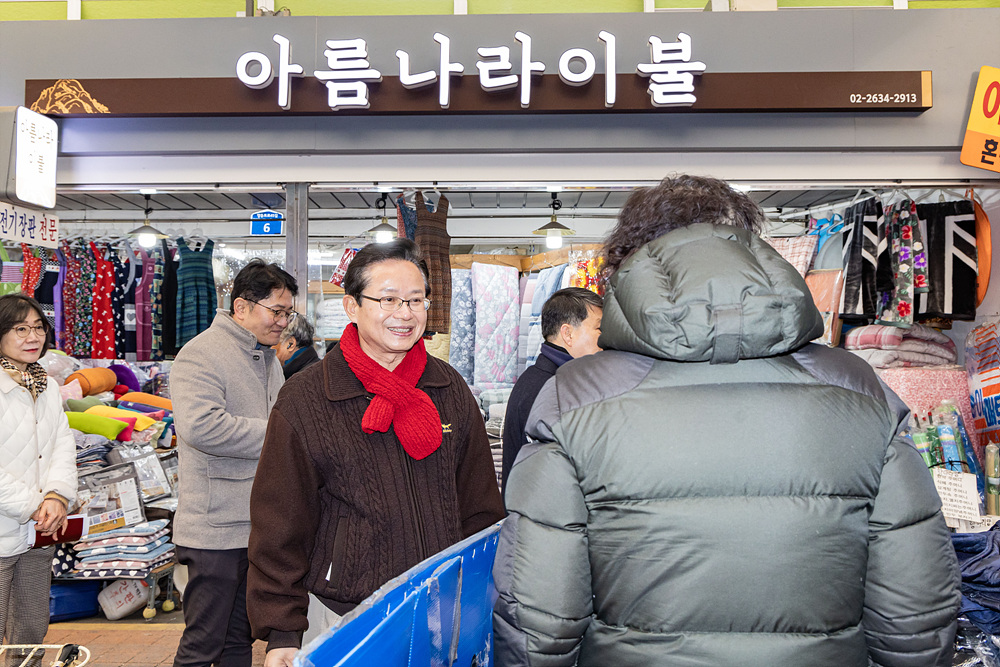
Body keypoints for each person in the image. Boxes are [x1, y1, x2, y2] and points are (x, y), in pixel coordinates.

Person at [492, 175, 961, 667]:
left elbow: (538, 618)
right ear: (753, 252)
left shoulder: (575, 396)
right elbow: (915, 616)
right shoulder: (859, 389)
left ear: (628, 262)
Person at [247, 238, 504, 666]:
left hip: (443, 612)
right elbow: (279, 523)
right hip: (344, 615)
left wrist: (482, 593)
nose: (405, 313)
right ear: (352, 307)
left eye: (416, 300)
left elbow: (479, 507)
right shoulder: (308, 399)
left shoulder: (449, 389)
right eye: (388, 299)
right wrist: (282, 630)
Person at [171, 259, 298, 667]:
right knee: (203, 643)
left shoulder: (268, 358)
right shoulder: (201, 354)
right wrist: (280, 437)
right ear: (241, 307)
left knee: (239, 640)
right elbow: (202, 427)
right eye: (276, 311)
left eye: (288, 313)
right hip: (213, 530)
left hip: (255, 525)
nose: (283, 322)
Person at [0, 294, 77, 665]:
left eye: (37, 328)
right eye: (20, 329)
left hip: (38, 531)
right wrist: (34, 505)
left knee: (31, 628)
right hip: (6, 525)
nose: (33, 337)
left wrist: (58, 496)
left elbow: (63, 442)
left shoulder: (43, 384)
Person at [501, 287, 602, 496]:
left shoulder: (546, 379)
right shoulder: (548, 389)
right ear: (567, 334)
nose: (605, 339)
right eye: (599, 329)